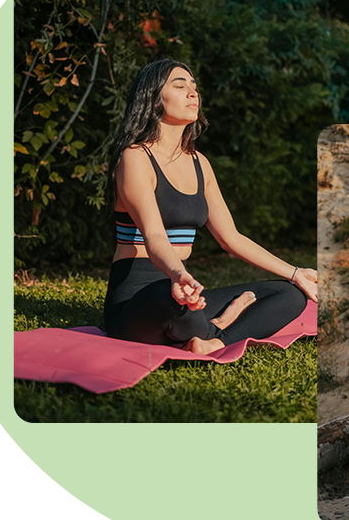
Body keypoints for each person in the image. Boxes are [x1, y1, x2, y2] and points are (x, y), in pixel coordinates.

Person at [103, 58, 316, 355]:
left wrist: (295, 274)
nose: (193, 93)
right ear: (153, 98)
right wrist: (178, 275)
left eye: (194, 87)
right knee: (171, 297)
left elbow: (232, 239)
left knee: (290, 296)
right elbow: (153, 235)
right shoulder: (135, 157)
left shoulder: (199, 163)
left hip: (186, 293)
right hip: (140, 301)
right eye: (180, 85)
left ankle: (213, 340)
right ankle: (219, 324)